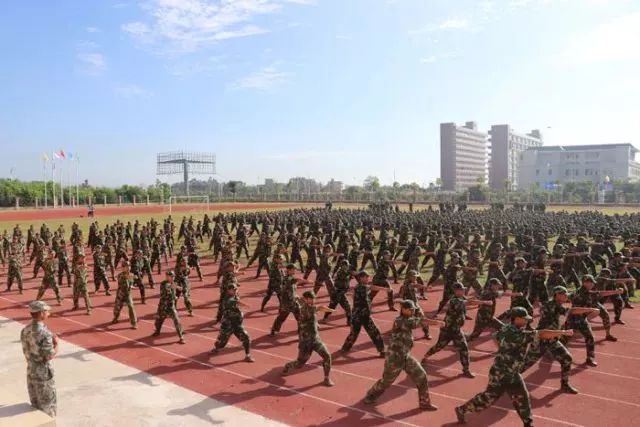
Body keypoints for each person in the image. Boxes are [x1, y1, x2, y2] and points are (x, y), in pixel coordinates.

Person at [455, 307, 574, 426]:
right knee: (487, 400)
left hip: (511, 373)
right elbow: (542, 334)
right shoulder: (516, 334)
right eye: (524, 319)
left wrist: (503, 350)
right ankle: (462, 410)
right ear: (516, 319)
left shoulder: (506, 328)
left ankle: (528, 423)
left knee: (522, 398)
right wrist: (563, 332)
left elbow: (495, 336)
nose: (527, 321)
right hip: (501, 374)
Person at [364, 300, 442, 410]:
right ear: (403, 309)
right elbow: (416, 322)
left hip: (405, 356)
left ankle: (424, 403)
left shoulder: (408, 319)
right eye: (411, 309)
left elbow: (416, 320)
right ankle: (371, 395)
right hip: (394, 358)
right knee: (386, 382)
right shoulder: (400, 321)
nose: (413, 311)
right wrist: (436, 323)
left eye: (413, 309)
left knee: (422, 376)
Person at [422, 282, 488, 378]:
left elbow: (469, 301)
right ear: (456, 291)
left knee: (464, 348)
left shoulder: (461, 298)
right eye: (461, 289)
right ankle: (425, 356)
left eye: (463, 289)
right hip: (447, 330)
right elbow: (468, 302)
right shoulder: (454, 300)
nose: (464, 291)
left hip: (456, 330)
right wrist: (485, 302)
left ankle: (466, 370)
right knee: (439, 346)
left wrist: (479, 299)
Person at [282, 290, 334, 386]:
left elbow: (312, 317)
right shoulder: (304, 308)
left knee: (327, 356)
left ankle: (326, 378)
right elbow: (318, 309)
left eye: (313, 298)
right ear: (305, 300)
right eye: (310, 299)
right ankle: (288, 366)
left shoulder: (310, 307)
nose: (313, 300)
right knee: (299, 364)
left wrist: (316, 324)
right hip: (306, 342)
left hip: (315, 339)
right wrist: (328, 310)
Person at [21, 301, 58, 417]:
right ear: (41, 313)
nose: (48, 313)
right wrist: (57, 345)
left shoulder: (25, 330)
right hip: (43, 374)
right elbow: (49, 355)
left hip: (31, 371)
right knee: (48, 407)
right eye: (46, 311)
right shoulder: (45, 333)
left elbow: (26, 351)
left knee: (36, 406)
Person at [341, 271, 386, 357]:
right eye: (366, 277)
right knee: (354, 333)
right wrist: (384, 289)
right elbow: (370, 287)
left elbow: (368, 288)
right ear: (361, 278)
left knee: (374, 332)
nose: (367, 278)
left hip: (364, 315)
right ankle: (345, 348)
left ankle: (382, 350)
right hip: (358, 315)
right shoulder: (361, 287)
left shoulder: (361, 287)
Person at [211, 283, 254, 362]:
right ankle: (216, 348)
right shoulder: (227, 299)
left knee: (246, 338)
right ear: (228, 290)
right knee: (221, 343)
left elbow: (236, 302)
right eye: (233, 289)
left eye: (236, 289)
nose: (235, 291)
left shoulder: (235, 296)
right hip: (228, 325)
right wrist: (243, 304)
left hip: (237, 324)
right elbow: (233, 302)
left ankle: (247, 355)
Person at [152, 270, 185, 344]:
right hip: (163, 306)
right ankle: (157, 331)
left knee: (177, 320)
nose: (173, 277)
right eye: (171, 276)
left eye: (173, 276)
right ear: (167, 276)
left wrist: (175, 295)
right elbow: (168, 288)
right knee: (158, 321)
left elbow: (174, 291)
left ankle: (181, 337)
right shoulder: (164, 284)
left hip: (171, 306)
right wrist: (177, 287)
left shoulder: (172, 283)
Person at [111, 261, 138, 329]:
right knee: (117, 307)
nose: (128, 268)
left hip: (128, 294)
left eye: (129, 266)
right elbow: (123, 278)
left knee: (131, 307)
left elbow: (130, 282)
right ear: (123, 268)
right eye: (126, 266)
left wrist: (131, 285)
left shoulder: (131, 275)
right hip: (121, 293)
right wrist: (131, 277)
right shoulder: (120, 275)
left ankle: (134, 323)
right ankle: (115, 318)